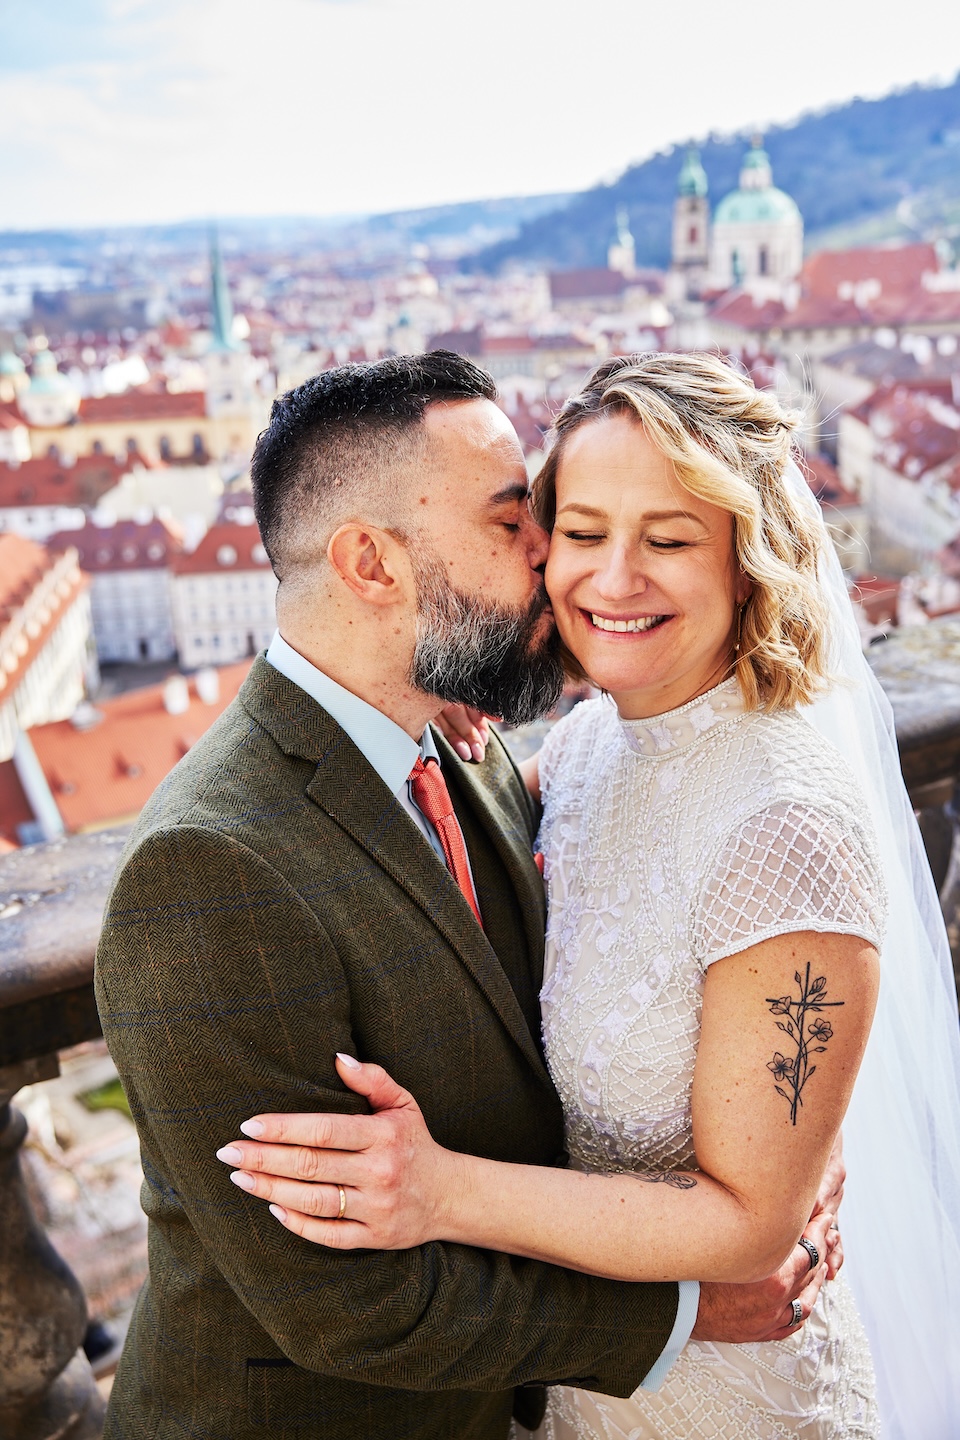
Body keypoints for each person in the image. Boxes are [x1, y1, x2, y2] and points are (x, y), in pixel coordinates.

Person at [94, 352, 834, 1440]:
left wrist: (782, 1137)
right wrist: (688, 1311)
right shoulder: (209, 870)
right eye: (508, 522)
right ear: (372, 564)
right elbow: (343, 1303)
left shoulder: (453, 742)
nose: (550, 554)